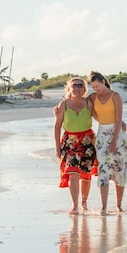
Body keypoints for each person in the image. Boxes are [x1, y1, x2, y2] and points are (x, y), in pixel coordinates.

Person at [88, 70, 127, 215]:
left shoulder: (115, 96)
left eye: (97, 86)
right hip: (102, 135)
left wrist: (113, 141)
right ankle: (104, 207)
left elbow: (118, 119)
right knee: (104, 170)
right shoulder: (92, 98)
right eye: (93, 87)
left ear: (103, 82)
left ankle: (119, 205)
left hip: (118, 135)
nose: (96, 90)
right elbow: (89, 110)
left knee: (119, 170)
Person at [54, 77, 97, 215]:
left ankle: (84, 204)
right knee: (72, 173)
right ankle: (75, 206)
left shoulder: (89, 103)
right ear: (69, 88)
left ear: (84, 89)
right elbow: (57, 126)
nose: (77, 88)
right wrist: (57, 147)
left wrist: (119, 123)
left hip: (87, 142)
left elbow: (102, 117)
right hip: (69, 142)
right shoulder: (63, 104)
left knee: (85, 175)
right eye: (74, 85)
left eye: (80, 85)